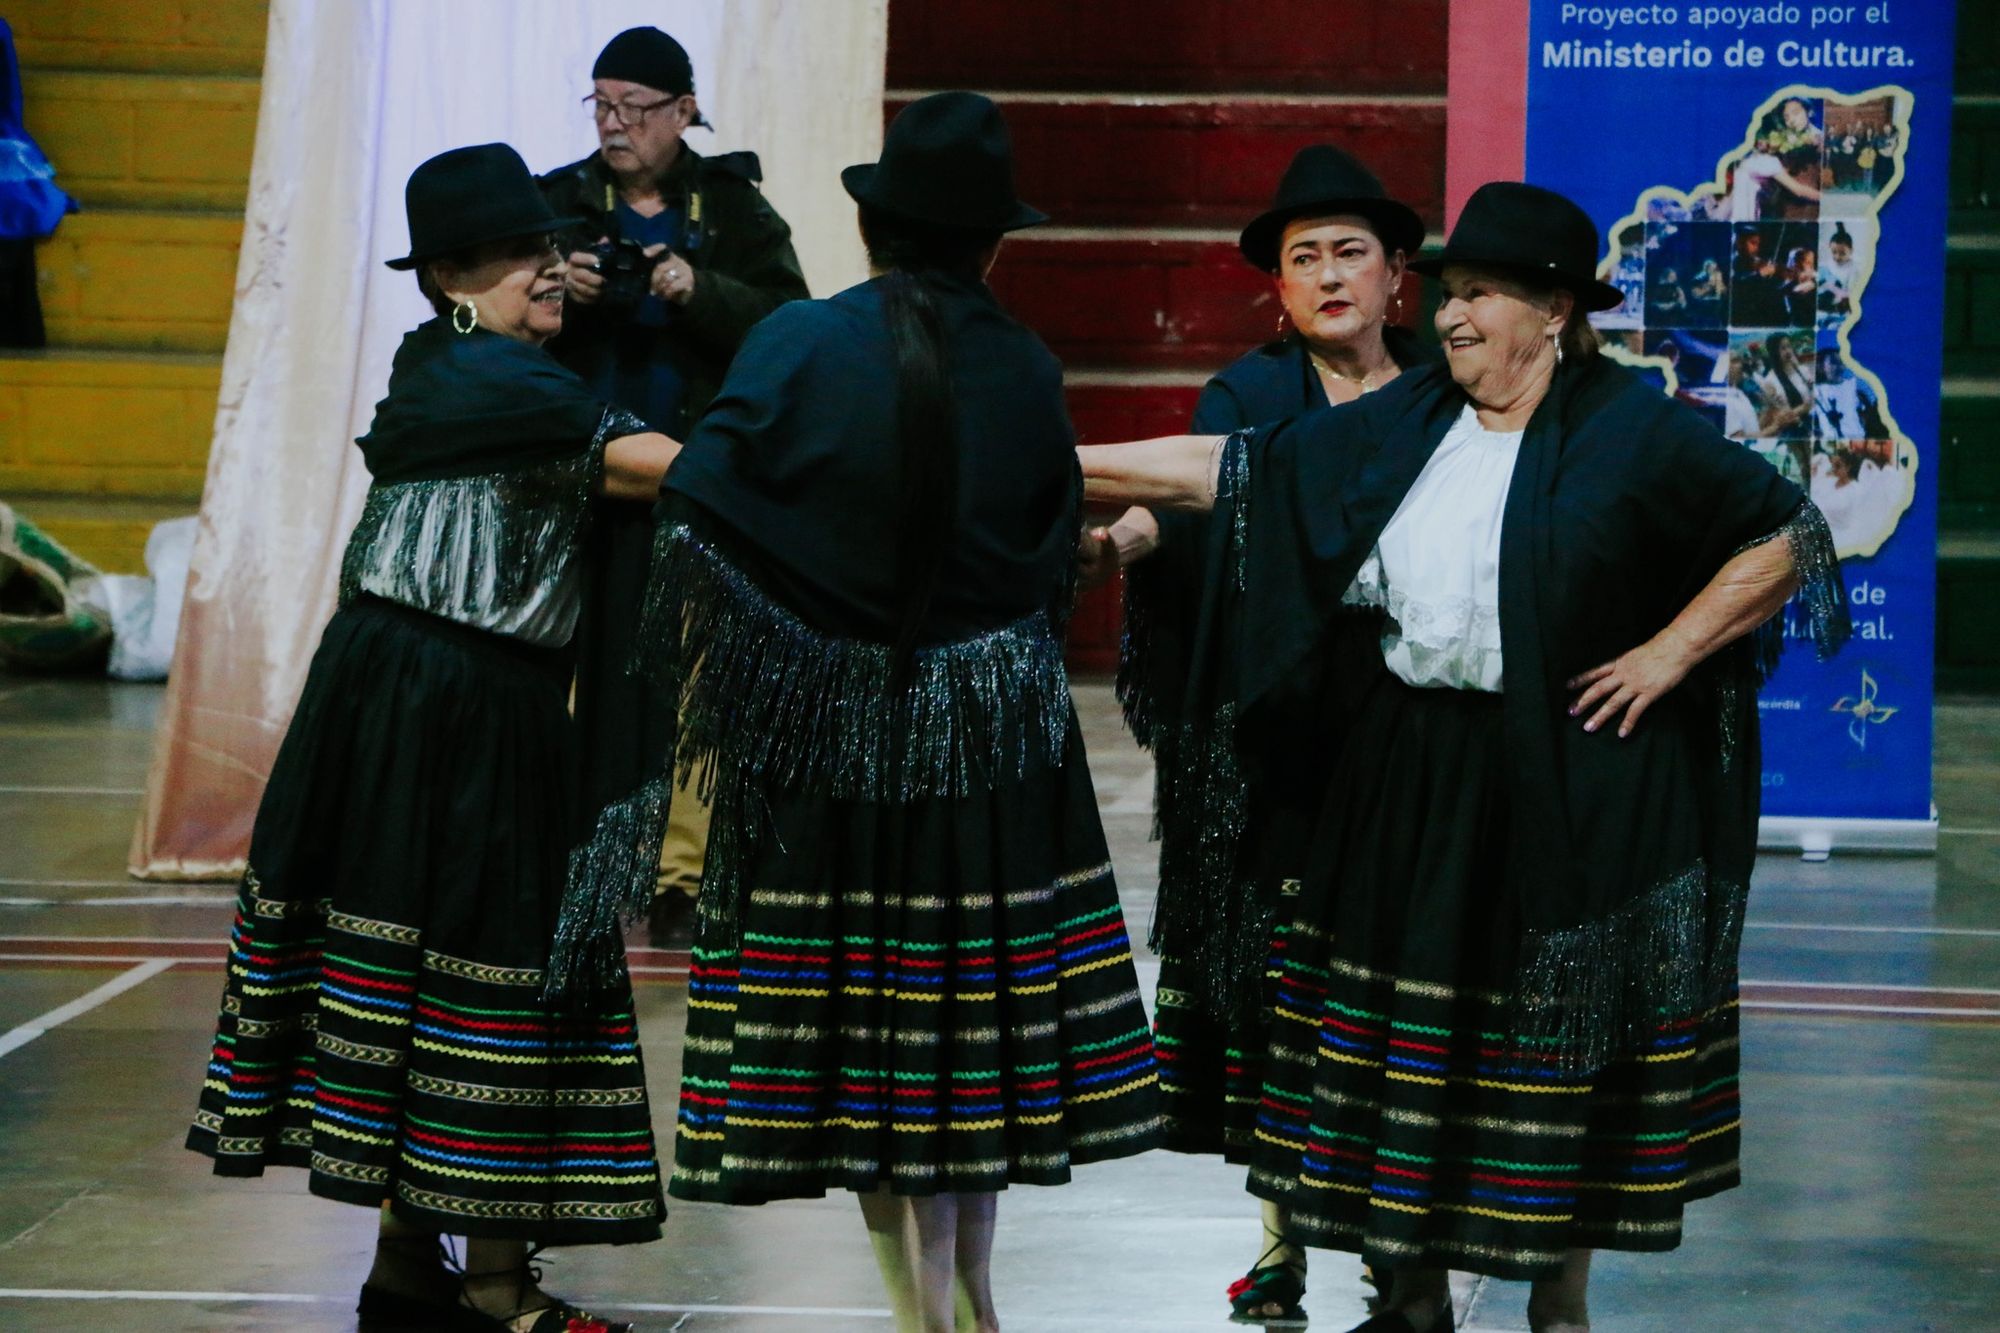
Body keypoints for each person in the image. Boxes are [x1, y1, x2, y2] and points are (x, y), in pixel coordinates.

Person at [1075, 181, 1849, 1333]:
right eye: (1445, 292)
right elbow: (1234, 468)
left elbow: (1788, 530)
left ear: (1550, 310)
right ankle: (1411, 1298)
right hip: (1416, 777)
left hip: (1573, 782)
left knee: (1556, 1042)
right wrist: (1049, 460)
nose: (1449, 315)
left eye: (1478, 295)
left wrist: (1665, 653)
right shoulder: (1409, 421)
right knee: (1404, 1050)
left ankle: (1558, 1303)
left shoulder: (1624, 428)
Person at [549, 93, 1162, 1333]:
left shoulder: (797, 345)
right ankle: (969, 1298)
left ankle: (918, 1313)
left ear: (874, 229)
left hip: (834, 748)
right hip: (994, 752)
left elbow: (708, 509)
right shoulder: (1025, 365)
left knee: (878, 1053)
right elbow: (1048, 562)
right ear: (991, 245)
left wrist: (785, 654)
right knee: (966, 1048)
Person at [186, 144, 685, 1333]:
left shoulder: (485, 374)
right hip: (440, 715)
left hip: (438, 707)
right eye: (517, 256)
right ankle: (498, 1293)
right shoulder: (476, 381)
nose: (548, 270)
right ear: (448, 278)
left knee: (439, 981)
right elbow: (670, 470)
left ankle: (412, 1273)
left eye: (547, 247)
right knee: (495, 978)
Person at [1079, 142, 1431, 1325]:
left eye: (1349, 253)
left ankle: (1397, 1248)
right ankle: (1280, 1237)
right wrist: (1127, 539)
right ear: (1274, 289)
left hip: (1408, 738)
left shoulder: (1443, 389)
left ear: (1398, 277)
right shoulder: (1247, 396)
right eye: (1302, 259)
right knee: (1280, 995)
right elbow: (1189, 506)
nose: (1327, 275)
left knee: (1389, 997)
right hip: (1274, 741)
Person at [539, 25, 811, 947]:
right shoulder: (557, 208)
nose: (615, 126)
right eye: (601, 105)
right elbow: (466, 320)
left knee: (694, 688)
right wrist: (553, 291)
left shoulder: (734, 210)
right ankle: (575, 857)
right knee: (577, 679)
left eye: (636, 109)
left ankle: (682, 877)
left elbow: (791, 331)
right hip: (579, 487)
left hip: (697, 490)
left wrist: (708, 292)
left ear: (684, 112)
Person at [1757, 332, 1813, 439]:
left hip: (1811, 421)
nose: (1788, 351)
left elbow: (1813, 399)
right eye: (1782, 348)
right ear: (1774, 352)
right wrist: (1803, 408)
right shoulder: (1770, 381)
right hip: (1793, 430)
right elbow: (1779, 415)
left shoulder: (1803, 371)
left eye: (1788, 346)